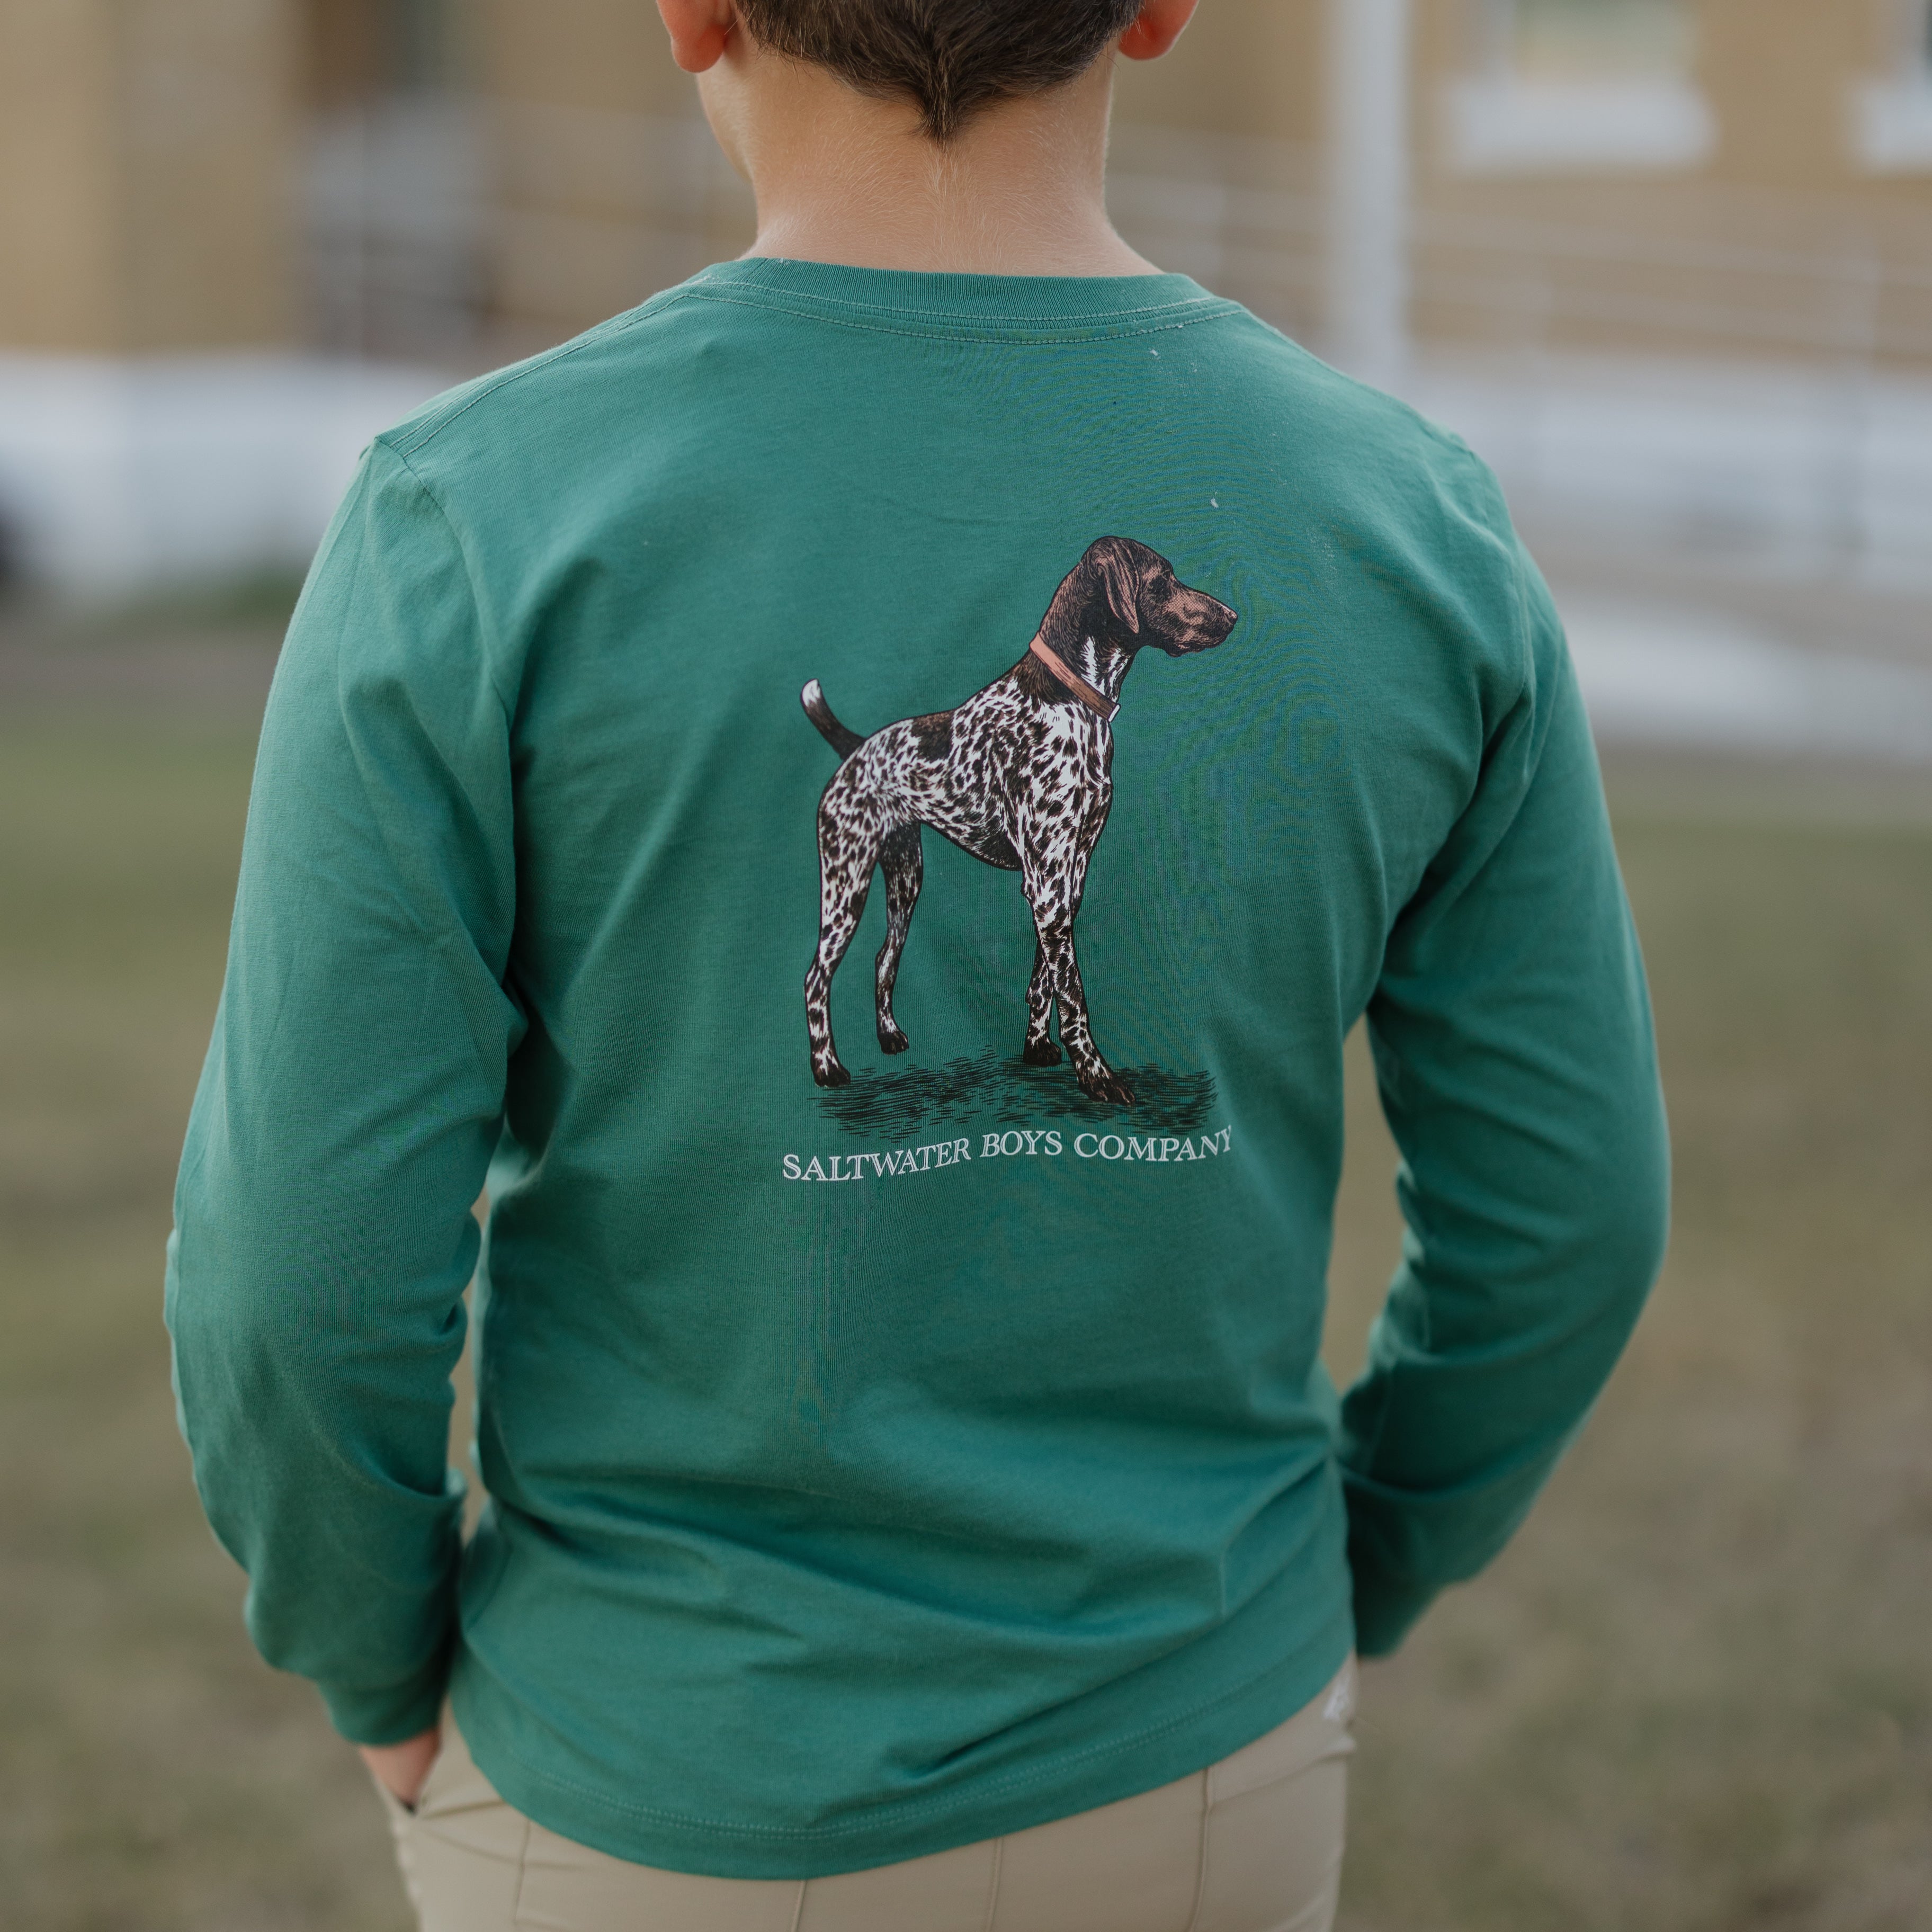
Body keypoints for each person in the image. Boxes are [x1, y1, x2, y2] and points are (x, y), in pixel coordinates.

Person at [164, 1, 1670, 1926]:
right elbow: (1572, 1223)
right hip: (1202, 1757)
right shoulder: (1419, 526)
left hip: (645, 1773)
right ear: (1160, 6)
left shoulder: (469, 524)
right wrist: (1344, 1571)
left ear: (691, 6)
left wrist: (367, 1660)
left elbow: (296, 1280)